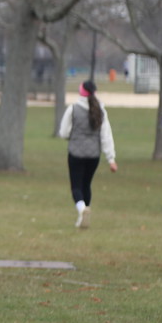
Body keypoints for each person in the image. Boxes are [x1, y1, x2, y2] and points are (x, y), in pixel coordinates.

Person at [58, 80, 118, 228]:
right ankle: (84, 214)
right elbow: (106, 136)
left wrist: (74, 136)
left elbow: (64, 132)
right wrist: (111, 158)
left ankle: (81, 209)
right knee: (86, 184)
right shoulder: (100, 110)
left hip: (76, 153)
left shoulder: (73, 109)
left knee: (76, 186)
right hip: (93, 155)